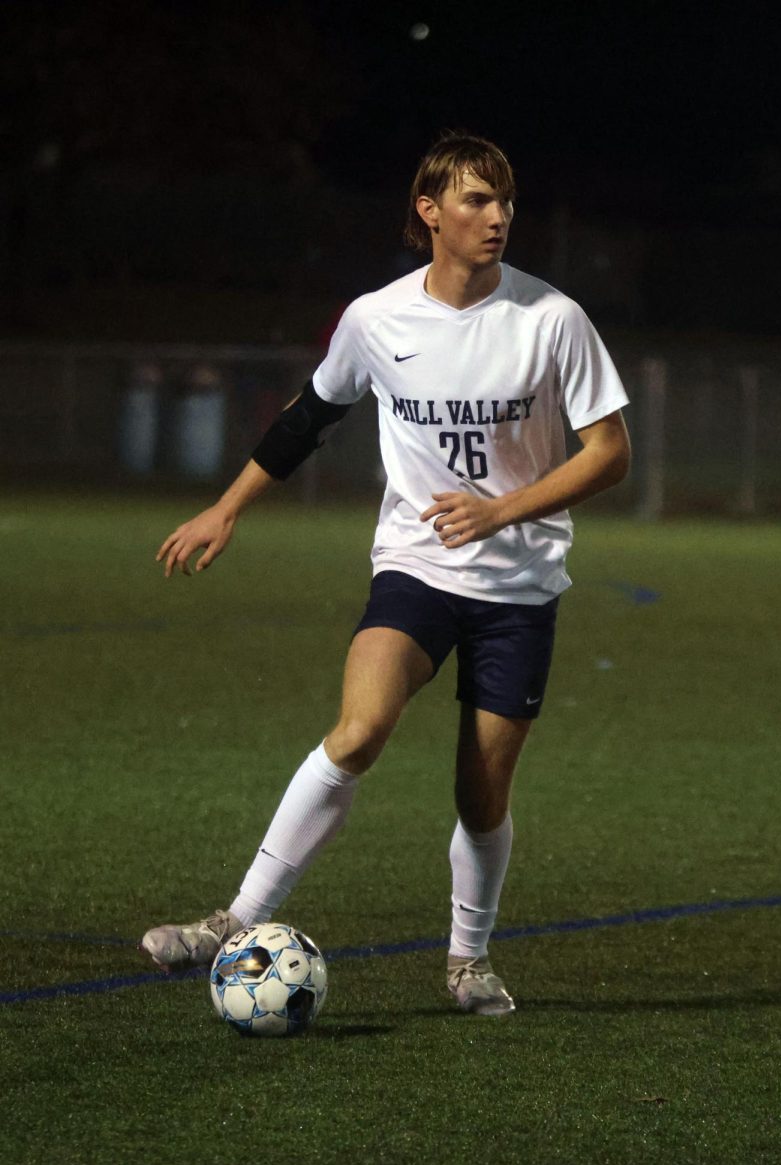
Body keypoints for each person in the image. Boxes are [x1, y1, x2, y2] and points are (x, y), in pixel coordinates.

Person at [141, 132, 631, 1016]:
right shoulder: (377, 318)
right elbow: (308, 418)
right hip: (415, 566)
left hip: (519, 585)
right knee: (360, 730)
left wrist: (501, 510)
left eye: (506, 201)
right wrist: (228, 505)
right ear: (429, 210)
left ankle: (467, 961)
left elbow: (610, 454)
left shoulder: (550, 318)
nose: (498, 217)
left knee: (481, 795)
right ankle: (232, 920)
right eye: (478, 201)